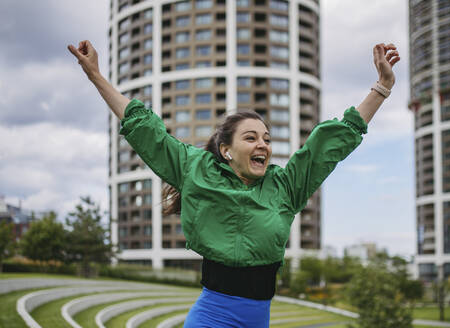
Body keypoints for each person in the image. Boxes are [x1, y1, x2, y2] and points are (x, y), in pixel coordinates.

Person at [68, 40, 399, 327]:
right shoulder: (194, 169)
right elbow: (143, 128)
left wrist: (382, 86)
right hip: (213, 317)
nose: (263, 145)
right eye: (251, 138)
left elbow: (330, 143)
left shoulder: (286, 187)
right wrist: (95, 75)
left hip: (258, 319)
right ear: (225, 150)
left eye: (267, 140)